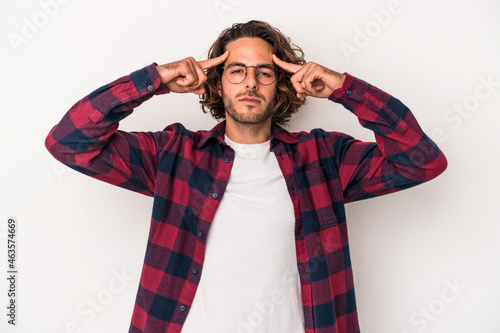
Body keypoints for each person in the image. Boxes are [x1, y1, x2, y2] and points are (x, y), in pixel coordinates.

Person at [45, 20, 447, 333]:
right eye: (236, 71)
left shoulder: (323, 158)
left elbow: (421, 161)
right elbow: (68, 141)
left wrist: (346, 89)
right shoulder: (173, 155)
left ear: (283, 85)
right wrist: (154, 79)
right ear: (217, 84)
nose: (250, 82)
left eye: (264, 72)